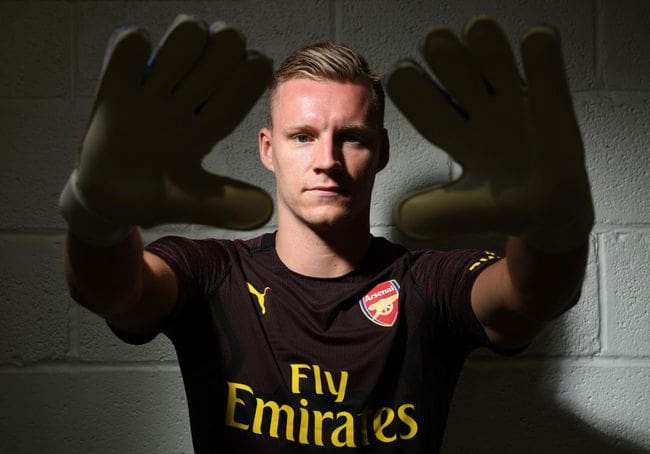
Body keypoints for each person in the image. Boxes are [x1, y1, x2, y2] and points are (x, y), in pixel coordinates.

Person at [60, 14, 594, 453]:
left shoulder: (427, 283)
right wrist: (98, 219)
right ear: (268, 149)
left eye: (353, 138)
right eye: (302, 136)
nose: (327, 161)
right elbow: (113, 290)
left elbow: (531, 295)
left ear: (380, 152)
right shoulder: (213, 274)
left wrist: (556, 231)